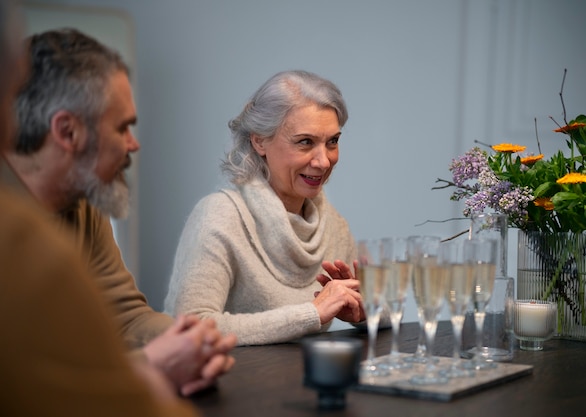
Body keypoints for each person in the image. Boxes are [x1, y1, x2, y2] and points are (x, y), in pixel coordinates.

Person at [2, 28, 236, 395]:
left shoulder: (81, 202)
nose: (134, 143)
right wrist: (151, 363)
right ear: (68, 131)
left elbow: (125, 317)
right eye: (122, 127)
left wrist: (189, 340)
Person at [164, 70, 365, 345]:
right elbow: (192, 325)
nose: (323, 161)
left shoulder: (333, 225)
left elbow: (380, 310)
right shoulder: (219, 215)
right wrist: (311, 314)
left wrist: (363, 312)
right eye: (305, 142)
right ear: (259, 141)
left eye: (332, 141)